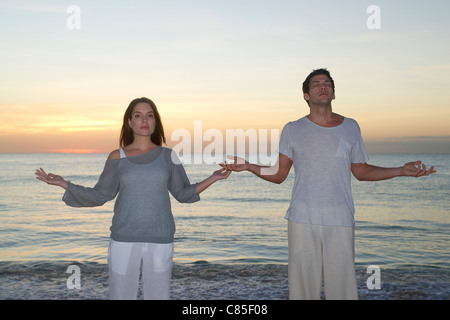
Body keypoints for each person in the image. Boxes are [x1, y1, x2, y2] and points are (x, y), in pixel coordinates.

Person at [220, 68, 436, 300]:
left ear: (333, 94)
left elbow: (361, 171)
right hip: (302, 218)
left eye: (327, 83)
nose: (323, 86)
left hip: (340, 218)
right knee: (302, 290)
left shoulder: (351, 127)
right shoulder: (293, 129)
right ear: (306, 95)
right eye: (316, 84)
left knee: (342, 290)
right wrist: (250, 166)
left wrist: (400, 171)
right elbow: (279, 173)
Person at [35, 97, 231, 300]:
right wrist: (64, 183)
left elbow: (182, 193)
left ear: (156, 121)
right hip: (123, 240)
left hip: (160, 240)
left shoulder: (168, 156)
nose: (144, 120)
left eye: (149, 115)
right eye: (138, 116)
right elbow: (101, 194)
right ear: (129, 122)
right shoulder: (117, 157)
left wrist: (213, 177)